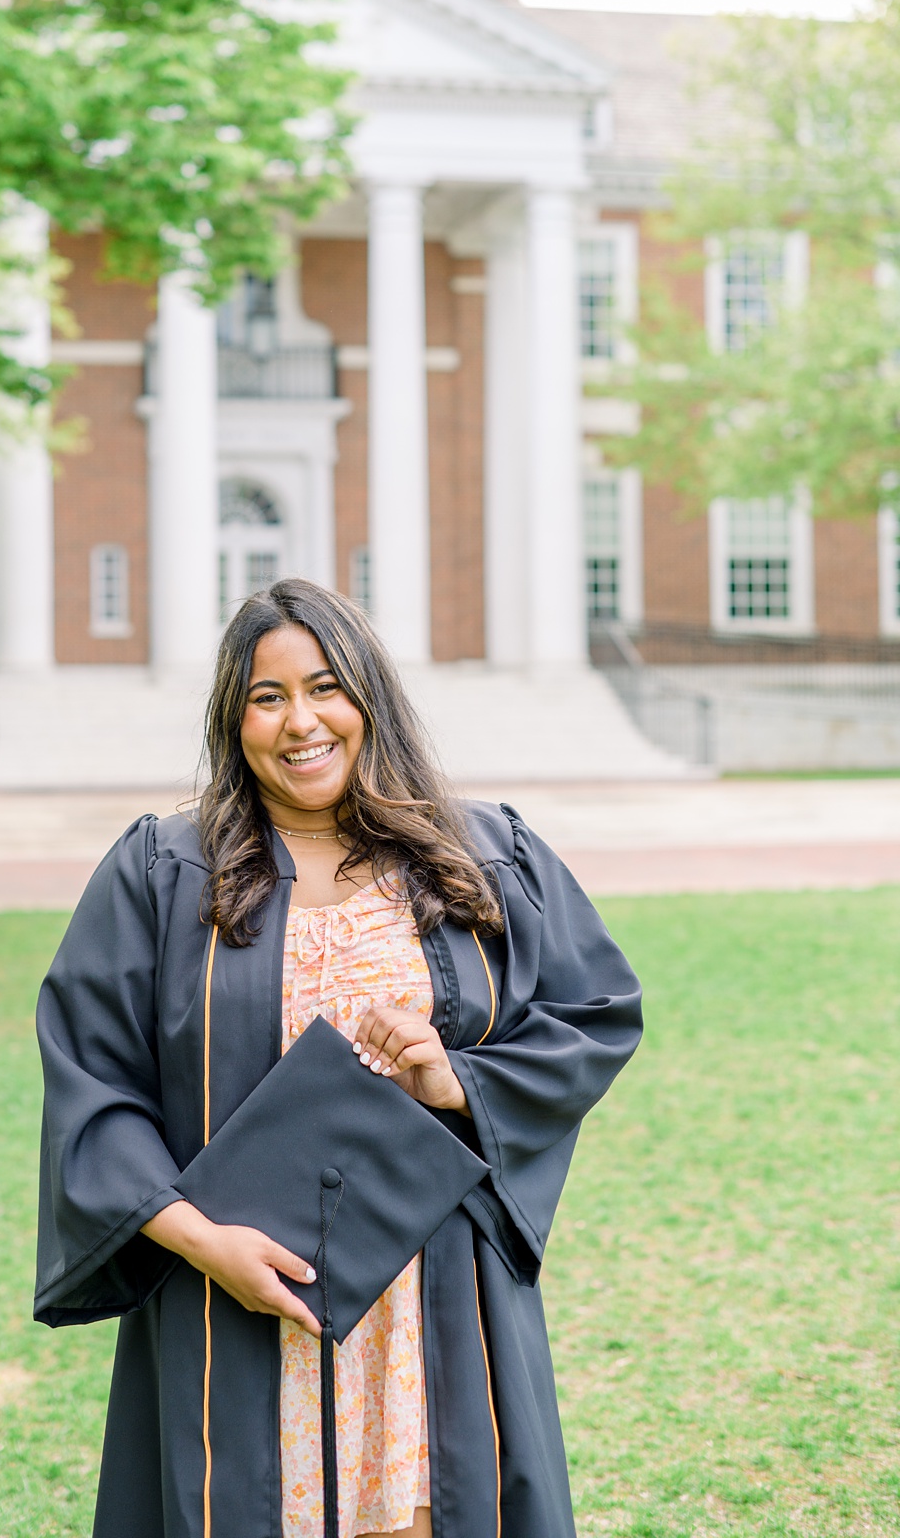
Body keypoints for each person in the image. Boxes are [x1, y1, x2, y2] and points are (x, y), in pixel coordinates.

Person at [34, 578, 642, 1538]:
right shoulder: (162, 871)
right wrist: (205, 1245)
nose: (300, 722)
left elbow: (594, 1013)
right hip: (234, 1288)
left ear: (369, 695)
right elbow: (95, 1084)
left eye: (325, 688)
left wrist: (457, 1079)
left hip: (433, 1294)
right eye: (266, 697)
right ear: (234, 721)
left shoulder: (480, 853)